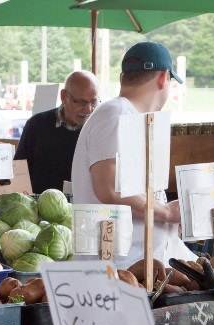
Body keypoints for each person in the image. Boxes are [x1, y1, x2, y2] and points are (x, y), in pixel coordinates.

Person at [70, 42, 194, 267]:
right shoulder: (115, 114)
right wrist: (165, 212)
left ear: (122, 78)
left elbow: (130, 189)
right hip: (115, 269)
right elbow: (109, 188)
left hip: (134, 265)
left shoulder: (128, 116)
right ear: (163, 78)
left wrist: (166, 216)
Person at [14, 70, 99, 193]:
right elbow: (19, 170)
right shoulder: (37, 125)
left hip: (83, 206)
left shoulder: (98, 129)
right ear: (64, 97)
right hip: (40, 207)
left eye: (93, 102)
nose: (88, 109)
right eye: (81, 102)